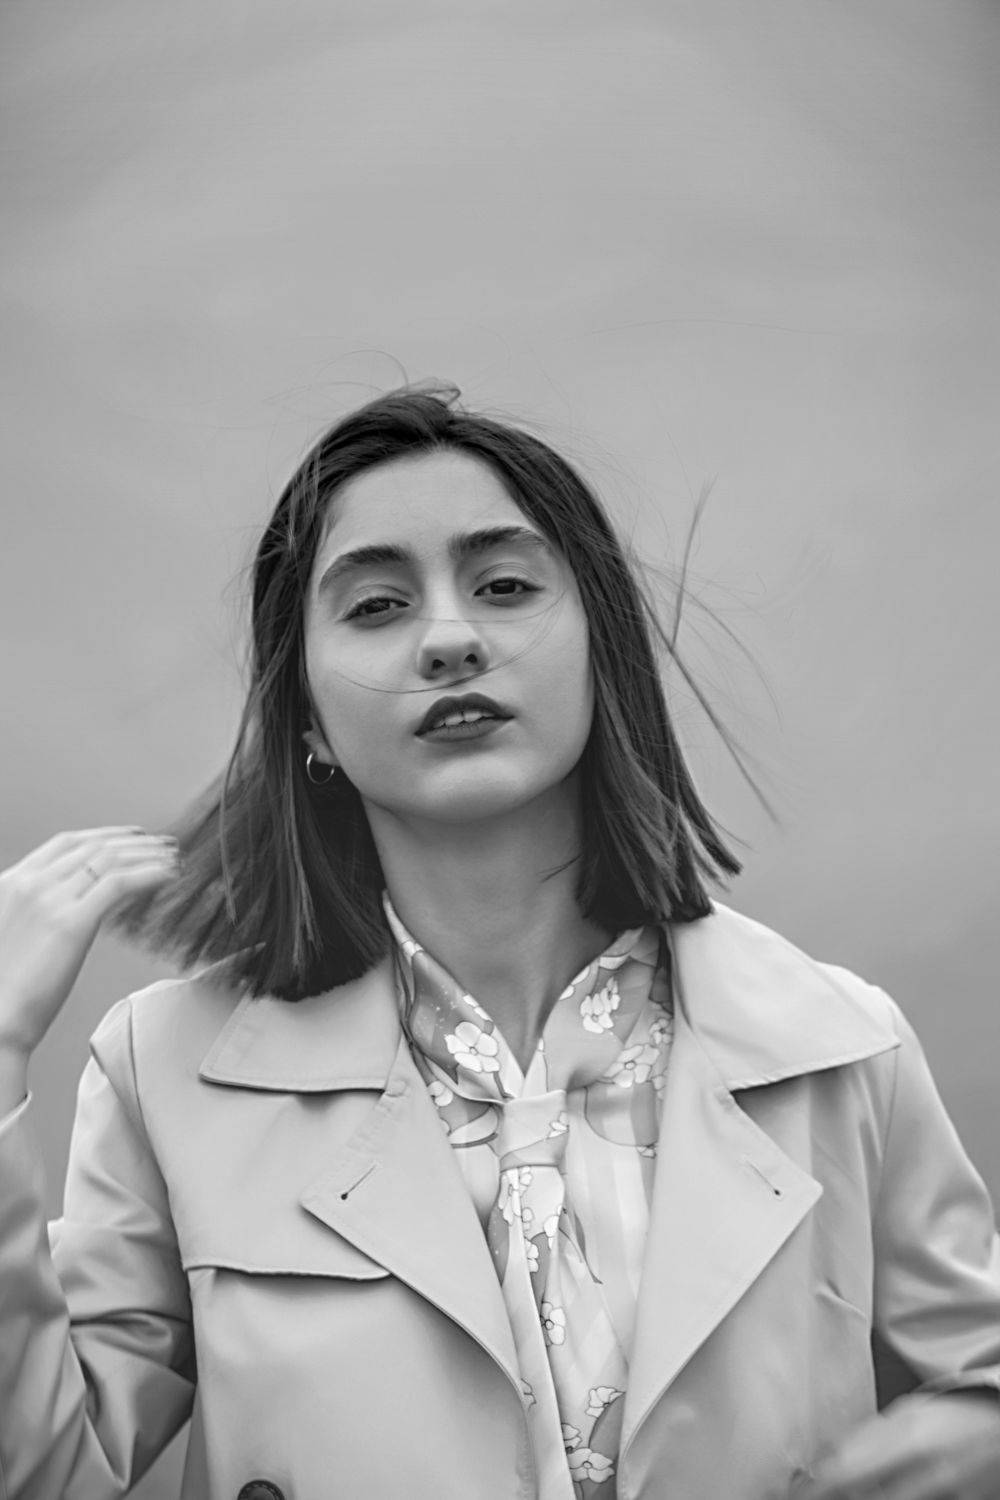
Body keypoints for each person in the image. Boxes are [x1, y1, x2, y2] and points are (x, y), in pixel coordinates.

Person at [1, 385, 998, 1500]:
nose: (449, 639)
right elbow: (42, 1472)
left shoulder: (844, 1051)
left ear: (602, 648)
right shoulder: (164, 1073)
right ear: (306, 718)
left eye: (505, 586)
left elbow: (981, 1384)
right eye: (376, 605)